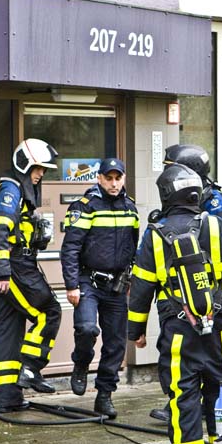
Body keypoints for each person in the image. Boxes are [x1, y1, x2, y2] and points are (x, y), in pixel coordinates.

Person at [127, 163, 222, 444]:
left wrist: (136, 332)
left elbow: (141, 287)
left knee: (182, 392)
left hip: (177, 331)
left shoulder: (155, 236)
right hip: (220, 326)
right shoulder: (216, 226)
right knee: (221, 387)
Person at [149, 144, 222, 423]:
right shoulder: (197, 201)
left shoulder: (214, 204)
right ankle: (191, 411)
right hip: (182, 300)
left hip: (211, 298)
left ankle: (208, 421)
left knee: (215, 371)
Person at [0, 139, 62, 413]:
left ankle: (8, 398)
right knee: (49, 310)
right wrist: (3, 271)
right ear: (25, 164)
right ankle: (31, 367)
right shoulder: (10, 190)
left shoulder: (14, 190)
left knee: (8, 330)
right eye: (38, 169)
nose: (41, 174)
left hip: (7, 267)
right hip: (12, 268)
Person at [61, 158, 139, 419]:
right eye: (109, 178)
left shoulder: (131, 209)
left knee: (116, 344)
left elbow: (134, 250)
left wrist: (131, 282)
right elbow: (70, 248)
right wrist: (71, 285)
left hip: (117, 284)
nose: (114, 183)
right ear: (100, 179)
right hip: (88, 281)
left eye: (118, 178)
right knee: (86, 328)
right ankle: (81, 363)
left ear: (124, 179)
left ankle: (104, 395)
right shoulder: (85, 207)